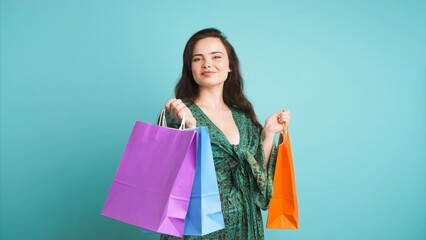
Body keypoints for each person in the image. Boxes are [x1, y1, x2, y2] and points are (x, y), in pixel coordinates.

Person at [161, 28, 291, 240]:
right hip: (198, 230)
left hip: (245, 226)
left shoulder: (244, 118)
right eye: (198, 59)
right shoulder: (179, 113)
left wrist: (268, 134)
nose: (207, 64)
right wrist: (190, 130)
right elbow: (170, 182)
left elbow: (257, 183)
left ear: (230, 65)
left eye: (216, 57)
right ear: (190, 68)